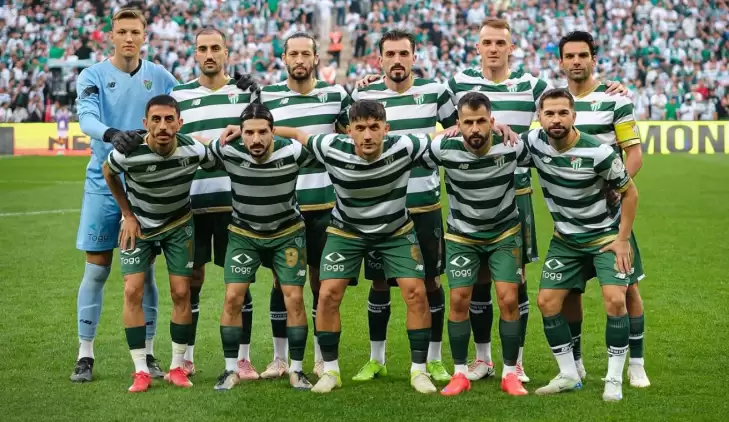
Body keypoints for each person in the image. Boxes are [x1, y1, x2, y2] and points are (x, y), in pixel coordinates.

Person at [447, 18, 628, 383]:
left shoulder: (533, 85)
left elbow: (568, 102)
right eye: (487, 43)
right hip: (473, 196)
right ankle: (482, 358)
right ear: (477, 47)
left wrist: (610, 88)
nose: (494, 49)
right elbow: (447, 126)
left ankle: (516, 362)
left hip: (517, 194)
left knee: (515, 282)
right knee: (475, 281)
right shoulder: (457, 84)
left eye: (501, 42)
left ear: (511, 47)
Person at [275, 100, 438, 395]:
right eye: (360, 128)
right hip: (347, 231)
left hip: (395, 230)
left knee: (416, 292)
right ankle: (331, 371)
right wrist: (255, 129)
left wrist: (489, 127)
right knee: (327, 294)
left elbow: (441, 136)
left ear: (386, 129)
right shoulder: (330, 147)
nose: (368, 135)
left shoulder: (405, 146)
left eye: (374, 127)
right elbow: (298, 134)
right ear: (349, 131)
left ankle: (419, 370)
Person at [71, 8, 178, 383]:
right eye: (122, 32)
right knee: (97, 268)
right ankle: (85, 354)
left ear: (144, 36)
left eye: (135, 32)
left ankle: (147, 354)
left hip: (146, 184)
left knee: (144, 271)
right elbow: (86, 118)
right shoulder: (93, 75)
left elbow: (189, 104)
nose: (129, 38)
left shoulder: (160, 76)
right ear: (111, 36)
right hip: (103, 181)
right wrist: (113, 134)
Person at [349, 29, 456, 383]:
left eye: (404, 54)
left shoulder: (436, 91)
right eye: (390, 54)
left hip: (424, 206)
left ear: (414, 57)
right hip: (380, 209)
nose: (397, 60)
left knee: (430, 282)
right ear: (379, 59)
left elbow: (457, 133)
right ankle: (376, 359)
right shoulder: (363, 95)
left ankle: (434, 359)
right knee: (380, 283)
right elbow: (347, 137)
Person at [524, 88, 639, 402]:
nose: (556, 119)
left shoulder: (599, 152)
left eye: (563, 113)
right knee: (547, 302)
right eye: (549, 113)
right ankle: (569, 374)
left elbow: (630, 193)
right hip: (566, 240)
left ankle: (613, 379)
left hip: (604, 236)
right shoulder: (533, 142)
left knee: (615, 300)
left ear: (574, 116)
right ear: (539, 117)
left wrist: (623, 239)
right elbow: (501, 142)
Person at [102, 94, 217, 392]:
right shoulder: (128, 153)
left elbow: (216, 157)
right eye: (156, 119)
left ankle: (177, 367)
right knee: (132, 290)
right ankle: (140, 370)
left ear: (180, 123)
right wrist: (127, 214)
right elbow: (108, 172)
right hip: (139, 226)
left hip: (179, 225)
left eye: (169, 119)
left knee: (181, 292)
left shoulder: (194, 149)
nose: (163, 126)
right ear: (145, 123)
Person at [557, 31, 649, 388]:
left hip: (610, 218)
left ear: (593, 59)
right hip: (571, 218)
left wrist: (617, 185)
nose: (576, 61)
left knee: (627, 290)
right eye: (570, 56)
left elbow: (634, 153)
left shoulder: (615, 100)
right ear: (561, 62)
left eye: (583, 55)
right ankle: (576, 362)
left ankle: (636, 364)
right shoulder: (555, 100)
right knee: (570, 291)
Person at [422, 92, 530, 397]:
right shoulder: (443, 147)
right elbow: (408, 155)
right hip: (462, 235)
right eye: (468, 122)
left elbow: (553, 156)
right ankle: (460, 374)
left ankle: (510, 373)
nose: (475, 129)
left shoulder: (512, 145)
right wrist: (438, 134)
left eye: (481, 121)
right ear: (457, 123)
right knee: (459, 300)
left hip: (504, 233)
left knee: (508, 299)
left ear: (492, 122)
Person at [258, 31, 351, 378]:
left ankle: (321, 357)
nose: (299, 60)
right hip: (283, 205)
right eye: (293, 54)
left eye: (305, 54)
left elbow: (352, 129)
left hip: (325, 204)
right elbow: (255, 132)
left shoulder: (336, 95)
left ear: (316, 59)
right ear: (284, 58)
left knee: (320, 285)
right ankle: (279, 358)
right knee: (281, 284)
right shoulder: (266, 96)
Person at [170, 27, 260, 380]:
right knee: (191, 281)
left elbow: (259, 134)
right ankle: (186, 357)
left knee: (239, 282)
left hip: (234, 203)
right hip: (190, 203)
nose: (210, 54)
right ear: (195, 53)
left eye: (216, 48)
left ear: (227, 52)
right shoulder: (178, 95)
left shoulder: (244, 93)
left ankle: (243, 358)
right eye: (203, 48)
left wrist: (255, 96)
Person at [207, 103, 313, 391]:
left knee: (294, 298)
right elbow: (196, 145)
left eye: (263, 132)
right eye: (249, 133)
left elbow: (312, 142)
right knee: (233, 297)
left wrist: (292, 132)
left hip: (287, 233)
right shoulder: (228, 151)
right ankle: (231, 370)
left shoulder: (293, 151)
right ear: (240, 133)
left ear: (273, 131)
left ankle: (297, 370)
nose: (256, 139)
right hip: (244, 234)